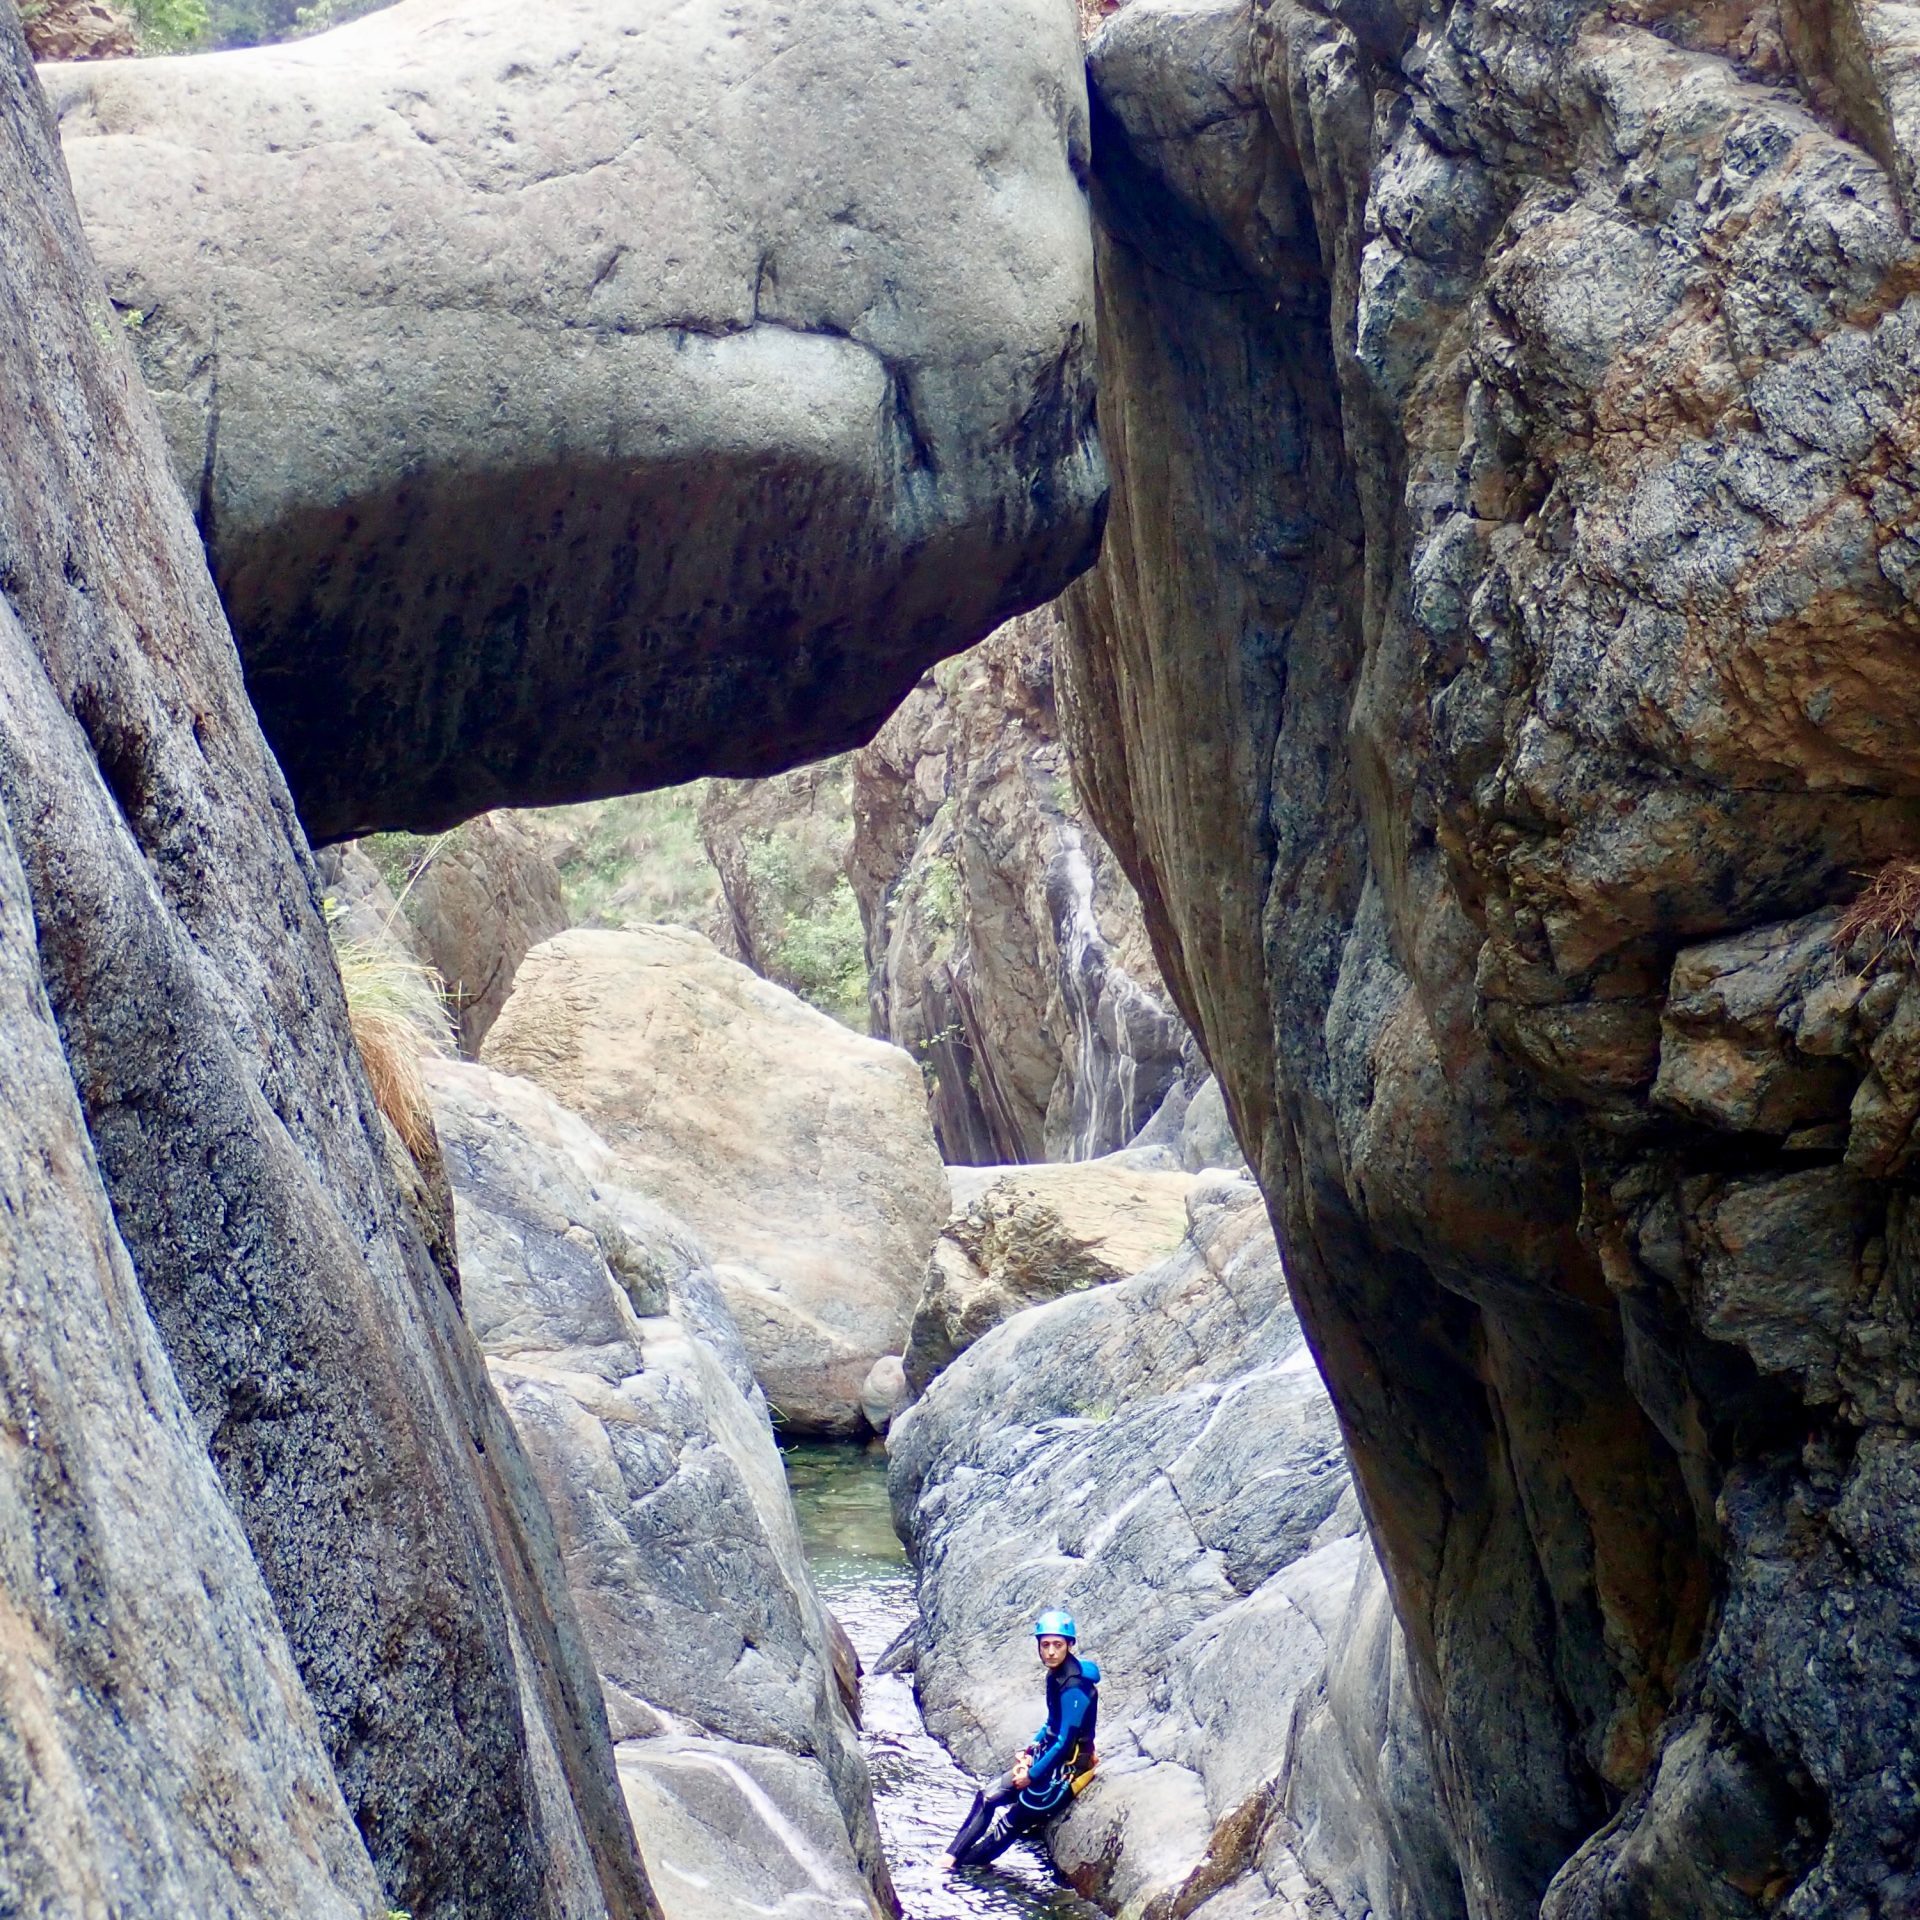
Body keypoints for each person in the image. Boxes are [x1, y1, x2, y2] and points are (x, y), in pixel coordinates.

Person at [939, 1608, 1100, 1872]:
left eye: (1057, 1645)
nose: (1050, 1651)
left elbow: (1064, 1741)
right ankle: (949, 1858)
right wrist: (1029, 1749)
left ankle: (960, 1870)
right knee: (987, 1797)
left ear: (1069, 1646)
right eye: (1045, 1644)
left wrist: (1032, 1775)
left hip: (1066, 1771)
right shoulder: (1056, 1675)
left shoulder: (1075, 1687)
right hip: (1047, 1758)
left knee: (1010, 1823)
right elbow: (1051, 1723)